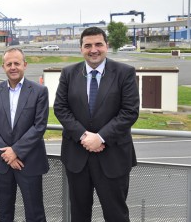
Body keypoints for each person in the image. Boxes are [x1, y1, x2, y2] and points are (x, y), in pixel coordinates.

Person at [53, 26, 140, 222]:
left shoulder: (124, 72)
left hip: (113, 157)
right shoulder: (68, 73)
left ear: (107, 46)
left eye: (98, 44)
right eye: (88, 45)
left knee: (116, 214)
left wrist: (100, 138)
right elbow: (61, 108)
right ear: (81, 48)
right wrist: (84, 136)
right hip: (77, 157)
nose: (94, 49)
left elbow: (129, 112)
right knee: (79, 214)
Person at [0, 48, 49, 222]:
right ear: (3, 67)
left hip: (30, 161)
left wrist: (16, 151)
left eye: (17, 63)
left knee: (34, 212)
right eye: (9, 64)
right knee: (4, 212)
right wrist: (8, 154)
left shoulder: (39, 91)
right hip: (2, 162)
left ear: (25, 65)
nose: (13, 67)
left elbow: (39, 125)